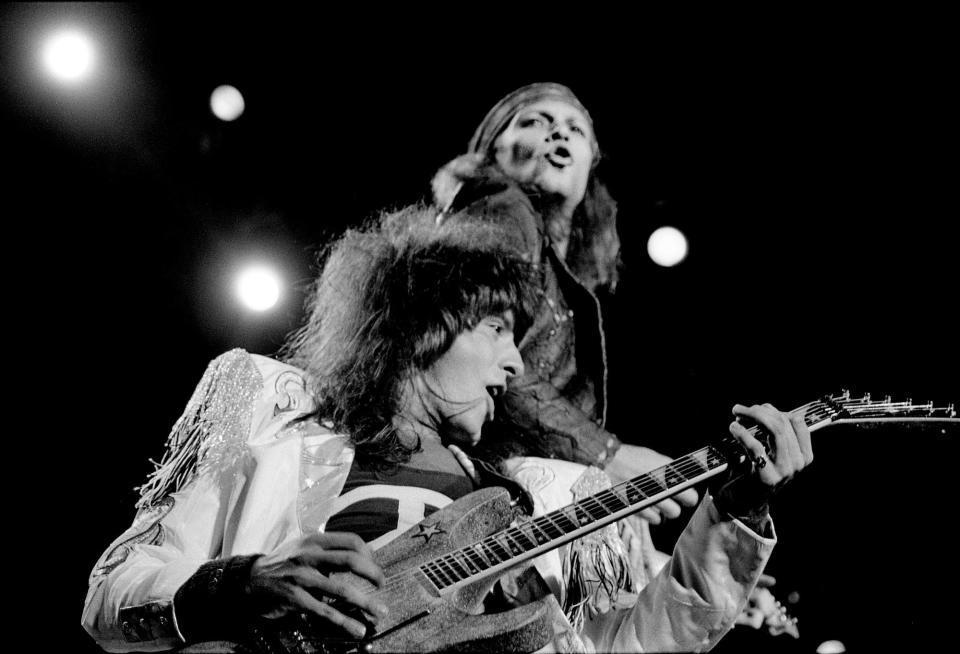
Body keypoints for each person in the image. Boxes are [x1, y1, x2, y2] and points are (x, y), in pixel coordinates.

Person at [81, 207, 813, 653]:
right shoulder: (266, 402)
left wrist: (739, 511)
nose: (510, 367)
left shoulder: (549, 495)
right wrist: (245, 583)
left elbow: (641, 640)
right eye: (497, 329)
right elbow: (114, 594)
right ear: (425, 324)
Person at [430, 82, 697, 527]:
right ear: (492, 150)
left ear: (591, 162)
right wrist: (605, 454)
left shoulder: (555, 260)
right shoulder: (505, 208)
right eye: (536, 121)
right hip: (478, 500)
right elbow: (473, 351)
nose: (558, 134)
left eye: (575, 129)